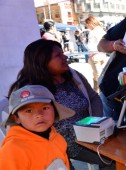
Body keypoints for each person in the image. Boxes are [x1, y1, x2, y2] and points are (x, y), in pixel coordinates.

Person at [7, 39, 108, 169]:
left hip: (90, 132)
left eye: (63, 53)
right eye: (58, 55)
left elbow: (94, 98)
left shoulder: (73, 76)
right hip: (64, 141)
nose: (65, 57)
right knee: (110, 159)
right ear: (42, 61)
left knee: (122, 148)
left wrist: (95, 123)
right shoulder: (30, 91)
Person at [0, 85, 75, 169]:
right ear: (16, 118)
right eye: (29, 111)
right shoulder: (12, 150)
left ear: (55, 110)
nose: (38, 115)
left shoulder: (58, 138)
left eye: (45, 108)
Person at [85, 16, 107, 93]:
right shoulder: (102, 30)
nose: (87, 26)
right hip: (102, 54)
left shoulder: (93, 32)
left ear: (91, 23)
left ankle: (99, 92)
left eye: (87, 24)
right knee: (101, 73)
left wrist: (91, 53)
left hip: (94, 55)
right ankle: (98, 91)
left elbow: (91, 45)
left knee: (97, 75)